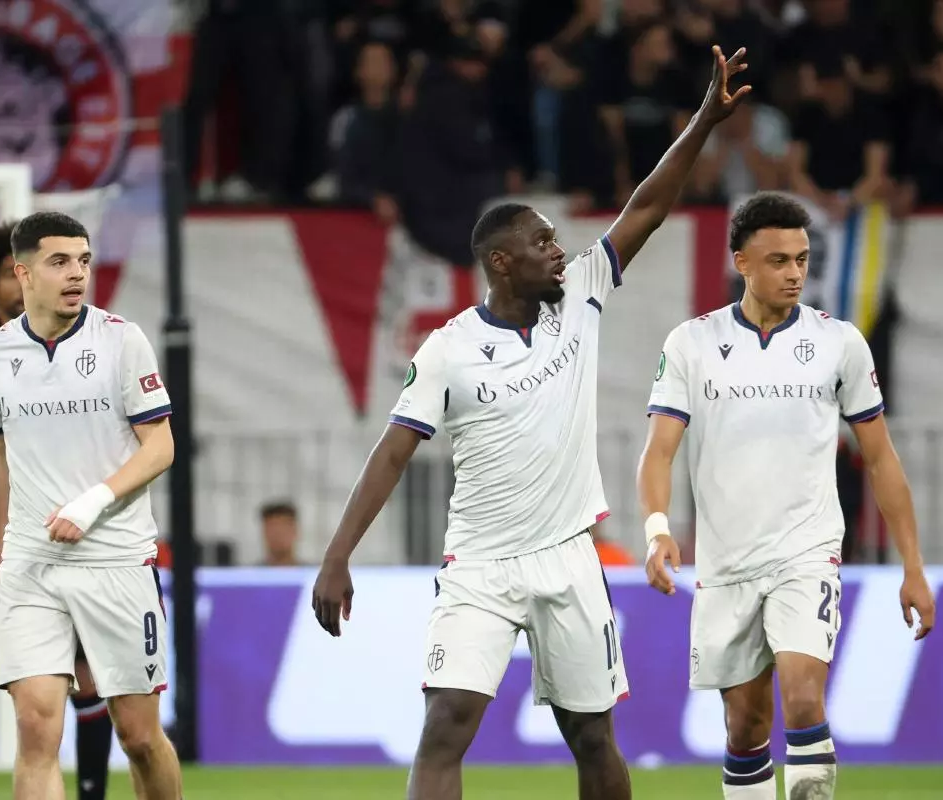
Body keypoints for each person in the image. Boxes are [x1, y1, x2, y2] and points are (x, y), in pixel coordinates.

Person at [312, 44, 753, 800]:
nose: (559, 251)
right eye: (542, 242)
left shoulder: (580, 294)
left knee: (592, 736)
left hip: (569, 557)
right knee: (446, 722)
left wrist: (705, 120)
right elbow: (390, 454)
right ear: (501, 263)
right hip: (480, 564)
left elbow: (646, 205)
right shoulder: (449, 350)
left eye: (556, 240)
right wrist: (336, 556)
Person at [636, 193, 936, 800]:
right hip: (726, 563)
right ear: (741, 261)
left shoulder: (840, 343)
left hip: (807, 551)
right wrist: (657, 528)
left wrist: (913, 565)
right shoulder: (692, 344)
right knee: (746, 728)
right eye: (778, 260)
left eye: (801, 259)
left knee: (803, 699)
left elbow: (880, 458)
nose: (795, 272)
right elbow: (658, 451)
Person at [0, 212, 182, 800]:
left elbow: (160, 444)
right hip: (31, 567)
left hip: (116, 562)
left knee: (138, 737)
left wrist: (92, 503)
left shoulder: (121, 340)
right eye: (59, 261)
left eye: (84, 261)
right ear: (23, 273)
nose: (76, 274)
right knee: (36, 727)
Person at [0, 223, 115, 800]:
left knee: (88, 677)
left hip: (79, 524)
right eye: (9, 275)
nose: (20, 282)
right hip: (1, 524)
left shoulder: (99, 340)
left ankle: (89, 789)